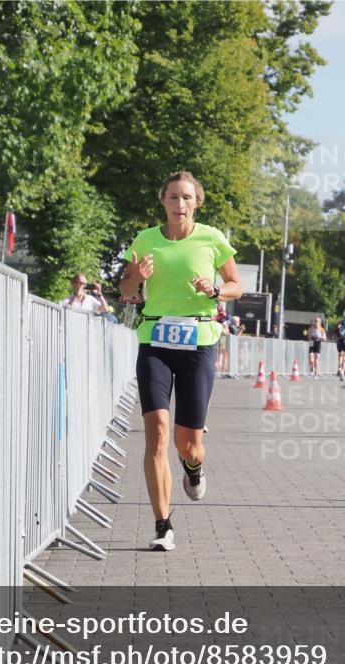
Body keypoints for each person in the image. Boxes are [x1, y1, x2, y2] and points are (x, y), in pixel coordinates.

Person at [118, 171, 243, 551]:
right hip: (154, 341)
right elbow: (125, 290)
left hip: (199, 343)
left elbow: (237, 286)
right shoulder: (145, 240)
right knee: (156, 431)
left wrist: (218, 290)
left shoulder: (212, 239)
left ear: (197, 202)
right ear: (163, 200)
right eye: (173, 197)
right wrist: (135, 278)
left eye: (186, 197)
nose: (179, 204)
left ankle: (194, 466)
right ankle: (162, 525)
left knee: (187, 444)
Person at [334, 309, 345, 380]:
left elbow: (335, 330)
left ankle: (339, 367)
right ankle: (343, 370)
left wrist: (339, 336)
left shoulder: (339, 322)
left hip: (340, 340)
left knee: (340, 354)